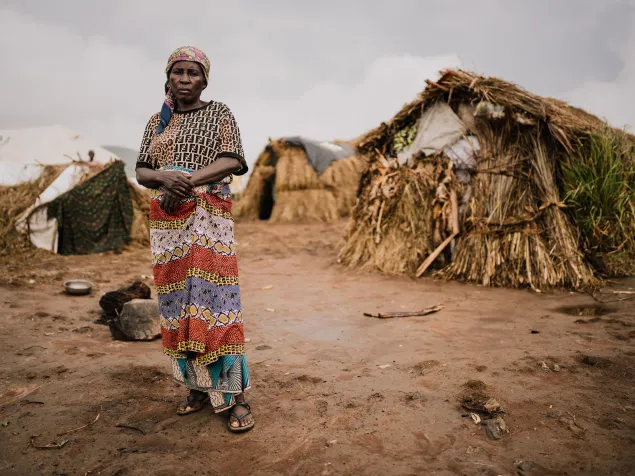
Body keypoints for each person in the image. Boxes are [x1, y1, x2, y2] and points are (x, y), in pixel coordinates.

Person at [135, 46, 254, 433]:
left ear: (205, 79)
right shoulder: (157, 121)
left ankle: (234, 397)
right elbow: (141, 170)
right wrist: (163, 179)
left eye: (193, 73)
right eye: (178, 73)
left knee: (214, 302)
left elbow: (233, 159)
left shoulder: (219, 112)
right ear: (168, 77)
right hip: (168, 227)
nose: (185, 79)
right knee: (177, 306)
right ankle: (197, 387)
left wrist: (183, 181)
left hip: (208, 219)